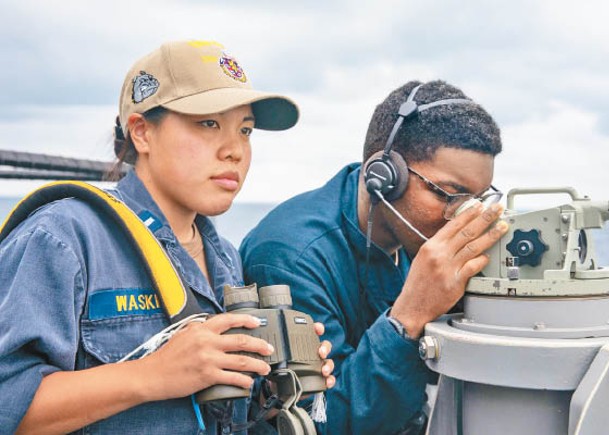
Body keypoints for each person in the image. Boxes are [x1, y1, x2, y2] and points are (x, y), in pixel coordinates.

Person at [0, 40, 334, 434]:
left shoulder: (224, 257)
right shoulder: (63, 237)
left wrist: (270, 390)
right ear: (141, 132)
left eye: (245, 130)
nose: (235, 151)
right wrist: (153, 374)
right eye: (209, 123)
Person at [240, 80, 509, 434]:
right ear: (383, 176)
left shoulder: (414, 237)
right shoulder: (289, 256)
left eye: (477, 199)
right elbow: (317, 422)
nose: (462, 216)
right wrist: (408, 318)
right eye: (449, 194)